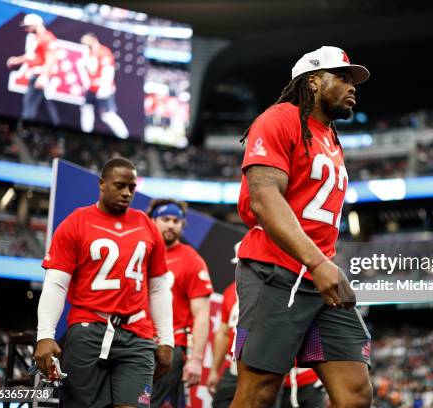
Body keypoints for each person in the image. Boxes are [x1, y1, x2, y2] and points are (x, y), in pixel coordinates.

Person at [232, 46, 373, 408]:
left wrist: (321, 265)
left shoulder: (329, 137)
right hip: (276, 272)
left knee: (355, 393)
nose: (351, 85)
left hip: (318, 279)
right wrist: (318, 262)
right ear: (312, 82)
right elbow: (264, 199)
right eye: (341, 77)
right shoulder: (279, 118)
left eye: (352, 79)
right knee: (259, 393)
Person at [34, 157, 174, 408]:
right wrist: (44, 335)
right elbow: (56, 283)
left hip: (137, 332)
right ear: (102, 184)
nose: (126, 193)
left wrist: (166, 340)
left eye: (131, 188)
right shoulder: (76, 222)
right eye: (120, 185)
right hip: (89, 329)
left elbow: (159, 288)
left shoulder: (147, 225)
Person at [148, 199, 213, 408]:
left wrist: (196, 360)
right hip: (136, 342)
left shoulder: (191, 259)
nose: (170, 225)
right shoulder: (142, 252)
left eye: (176, 220)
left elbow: (202, 314)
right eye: (165, 219)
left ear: (182, 224)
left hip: (173, 347)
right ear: (152, 220)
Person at [6, 13, 60, 126]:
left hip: (40, 75)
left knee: (29, 104)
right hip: (37, 74)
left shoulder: (47, 37)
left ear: (36, 24)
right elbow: (31, 56)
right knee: (45, 106)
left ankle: (23, 129)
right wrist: (17, 60)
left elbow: (51, 58)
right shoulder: (36, 38)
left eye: (28, 26)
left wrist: (44, 76)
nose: (26, 29)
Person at [208, 243, 241, 408]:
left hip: (259, 368)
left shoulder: (272, 292)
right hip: (233, 367)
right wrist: (215, 370)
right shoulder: (230, 291)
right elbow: (224, 333)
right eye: (240, 264)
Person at [80, 32, 129, 139]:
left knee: (107, 115)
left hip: (104, 89)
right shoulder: (89, 53)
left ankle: (124, 135)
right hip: (92, 89)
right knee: (86, 110)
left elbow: (108, 71)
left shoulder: (104, 52)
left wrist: (104, 88)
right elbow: (87, 70)